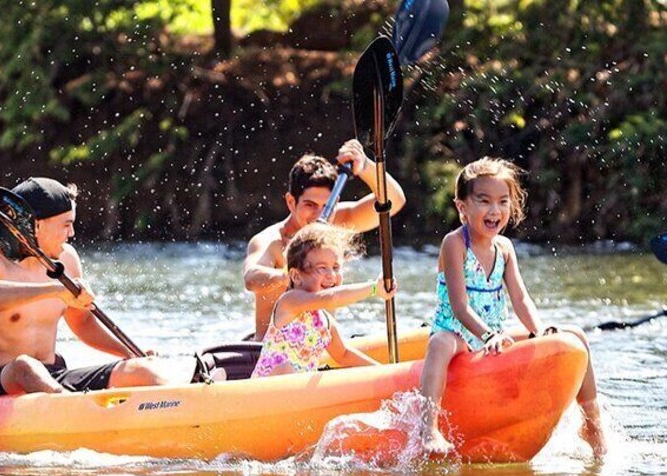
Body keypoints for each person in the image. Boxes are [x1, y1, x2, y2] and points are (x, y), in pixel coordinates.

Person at [419, 157, 607, 456]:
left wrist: (539, 330)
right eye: (484, 201)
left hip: (493, 333)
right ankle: (427, 429)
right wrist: (487, 336)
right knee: (439, 345)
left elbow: (520, 298)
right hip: (458, 333)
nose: (495, 210)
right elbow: (458, 305)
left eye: (503, 202)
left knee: (576, 335)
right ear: (462, 207)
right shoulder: (454, 244)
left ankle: (592, 425)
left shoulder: (505, 248)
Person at [0, 177, 191, 396]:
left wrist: (129, 353)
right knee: (25, 366)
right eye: (66, 225)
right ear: (36, 225)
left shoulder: (68, 259)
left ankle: (188, 405)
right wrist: (55, 290)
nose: (71, 234)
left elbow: (82, 322)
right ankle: (69, 407)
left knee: (143, 370)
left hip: (53, 375)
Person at [244, 139, 406, 341]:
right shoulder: (272, 240)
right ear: (291, 202)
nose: (319, 215)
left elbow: (395, 201)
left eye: (325, 205)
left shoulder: (338, 221)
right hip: (273, 355)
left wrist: (365, 166)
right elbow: (251, 279)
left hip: (321, 351)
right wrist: (294, 276)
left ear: (335, 202)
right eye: (310, 205)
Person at [251, 223, 396, 378]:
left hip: (299, 394)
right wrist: (374, 288)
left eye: (335, 267)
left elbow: (343, 355)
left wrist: (386, 372)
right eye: (321, 268)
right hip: (266, 390)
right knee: (285, 368)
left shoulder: (325, 322)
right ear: (296, 276)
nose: (331, 275)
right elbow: (331, 298)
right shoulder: (290, 301)